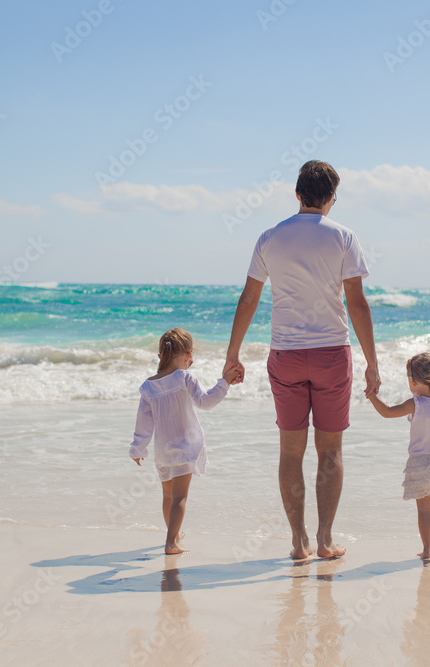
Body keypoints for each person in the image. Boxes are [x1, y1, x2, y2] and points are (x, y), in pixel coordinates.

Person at [223, 160, 380, 560]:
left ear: (297, 194)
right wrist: (372, 361)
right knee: (331, 451)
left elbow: (249, 299)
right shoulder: (344, 237)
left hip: (286, 356)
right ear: (331, 199)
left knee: (290, 451)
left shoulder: (269, 237)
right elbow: (357, 305)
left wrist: (232, 354)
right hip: (331, 355)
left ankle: (298, 542)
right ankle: (325, 540)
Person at [129, 328, 240, 554]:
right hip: (184, 449)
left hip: (162, 452)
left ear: (161, 356)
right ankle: (171, 543)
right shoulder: (184, 378)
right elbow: (205, 402)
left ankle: (174, 534)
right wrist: (225, 382)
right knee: (180, 497)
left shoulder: (148, 386)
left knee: (168, 496)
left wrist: (138, 448)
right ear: (188, 356)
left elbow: (144, 422)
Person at [366, 352, 430, 562]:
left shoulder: (417, 404)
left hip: (420, 463)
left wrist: (372, 395)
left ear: (413, 381)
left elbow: (387, 412)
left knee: (424, 511)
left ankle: (428, 550)